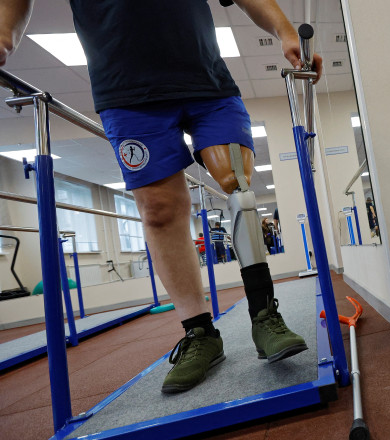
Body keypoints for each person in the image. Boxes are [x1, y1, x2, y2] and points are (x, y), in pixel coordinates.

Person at [1, 0, 323, 394]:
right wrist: (4, 32)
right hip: (125, 93)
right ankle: (200, 334)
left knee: (236, 184)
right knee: (158, 210)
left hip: (206, 82)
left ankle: (265, 315)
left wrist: (285, 31)